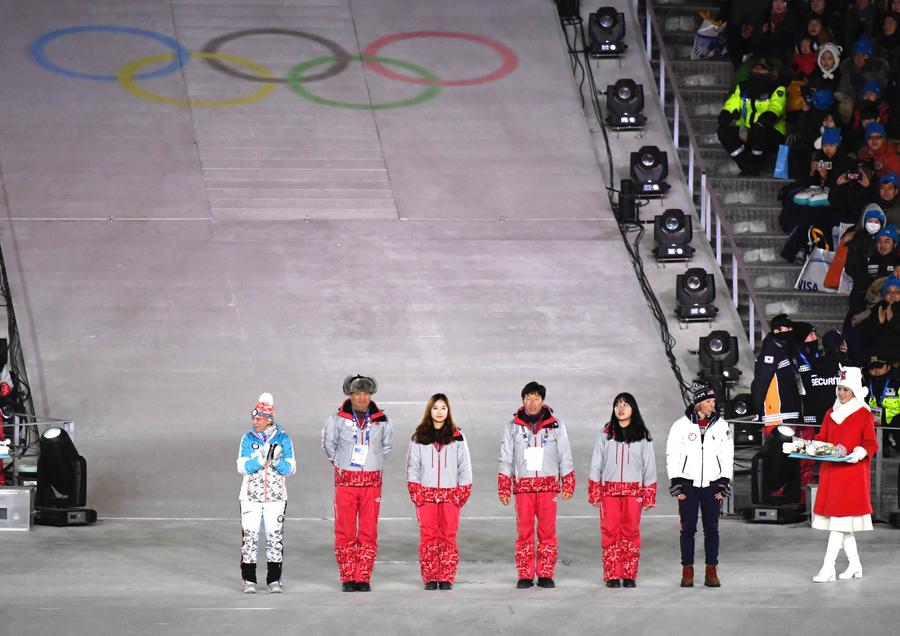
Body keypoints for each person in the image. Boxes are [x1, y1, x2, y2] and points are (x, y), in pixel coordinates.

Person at [802, 366, 878, 582]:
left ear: (854, 390)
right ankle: (855, 565)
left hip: (852, 475)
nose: (841, 393)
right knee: (843, 526)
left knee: (838, 525)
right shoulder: (830, 412)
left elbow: (871, 443)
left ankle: (828, 568)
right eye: (839, 389)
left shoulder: (864, 415)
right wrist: (807, 445)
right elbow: (823, 437)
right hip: (831, 473)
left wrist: (859, 452)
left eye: (846, 389)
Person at [498, 381, 575, 589]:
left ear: (543, 400)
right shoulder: (512, 426)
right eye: (528, 398)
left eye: (536, 398)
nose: (532, 403)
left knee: (547, 532)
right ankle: (524, 574)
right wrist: (504, 486)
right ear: (522, 400)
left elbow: (564, 454)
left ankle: (545, 574)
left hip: (548, 487)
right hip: (523, 488)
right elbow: (506, 457)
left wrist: (568, 481)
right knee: (524, 532)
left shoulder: (556, 425)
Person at [321, 374, 394, 592]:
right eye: (357, 393)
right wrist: (343, 465)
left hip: (372, 483)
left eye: (366, 393)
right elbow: (329, 446)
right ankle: (347, 577)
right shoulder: (336, 420)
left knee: (368, 530)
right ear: (349, 395)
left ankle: (363, 576)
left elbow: (386, 447)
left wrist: (372, 462)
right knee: (345, 530)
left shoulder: (383, 420)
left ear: (371, 395)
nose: (362, 397)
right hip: (346, 482)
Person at [666, 382, 734, 588]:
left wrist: (723, 482)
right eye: (708, 401)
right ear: (698, 403)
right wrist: (676, 482)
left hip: (713, 486)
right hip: (688, 485)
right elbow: (673, 454)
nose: (712, 405)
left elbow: (727, 455)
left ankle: (711, 571)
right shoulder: (680, 426)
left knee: (712, 528)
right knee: (687, 529)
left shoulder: (721, 426)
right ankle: (687, 571)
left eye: (713, 401)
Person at [587, 393, 657, 588]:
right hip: (609, 492)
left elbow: (649, 465)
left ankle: (629, 575)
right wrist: (594, 490)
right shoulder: (606, 434)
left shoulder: (642, 435)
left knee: (631, 532)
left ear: (633, 409)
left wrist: (649, 493)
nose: (621, 408)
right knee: (609, 532)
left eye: (625, 405)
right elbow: (596, 463)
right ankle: (612, 575)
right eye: (617, 404)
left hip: (634, 493)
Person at [406, 393, 473, 590]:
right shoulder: (419, 437)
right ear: (430, 411)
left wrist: (461, 492)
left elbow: (464, 467)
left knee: (448, 535)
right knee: (428, 536)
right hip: (426, 495)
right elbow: (412, 467)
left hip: (450, 495)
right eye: (435, 408)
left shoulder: (457, 437)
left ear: (448, 411)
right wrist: (416, 491)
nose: (439, 412)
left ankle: (446, 577)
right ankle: (429, 577)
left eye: (443, 408)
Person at [236, 392, 296, 594]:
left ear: (269, 419)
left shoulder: (284, 438)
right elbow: (241, 466)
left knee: (274, 538)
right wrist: (260, 461)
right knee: (250, 539)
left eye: (258, 418)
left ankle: (274, 580)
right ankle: (249, 579)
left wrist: (277, 462)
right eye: (253, 418)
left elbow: (291, 468)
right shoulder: (247, 438)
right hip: (250, 498)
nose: (254, 422)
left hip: (276, 498)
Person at [717, 58, 787, 175]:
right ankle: (748, 166)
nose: (759, 70)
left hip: (771, 132)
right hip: (747, 130)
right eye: (757, 67)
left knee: (760, 132)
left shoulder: (777, 88)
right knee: (724, 132)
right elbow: (732, 104)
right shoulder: (743, 87)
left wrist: (762, 122)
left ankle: (753, 166)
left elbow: (776, 107)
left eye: (763, 68)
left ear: (770, 73)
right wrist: (725, 114)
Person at [751, 314, 803, 432]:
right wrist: (758, 410)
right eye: (787, 328)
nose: (790, 331)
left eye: (791, 328)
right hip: (776, 416)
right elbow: (760, 384)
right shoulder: (769, 354)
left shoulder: (788, 351)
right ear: (776, 330)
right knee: (778, 450)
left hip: (791, 415)